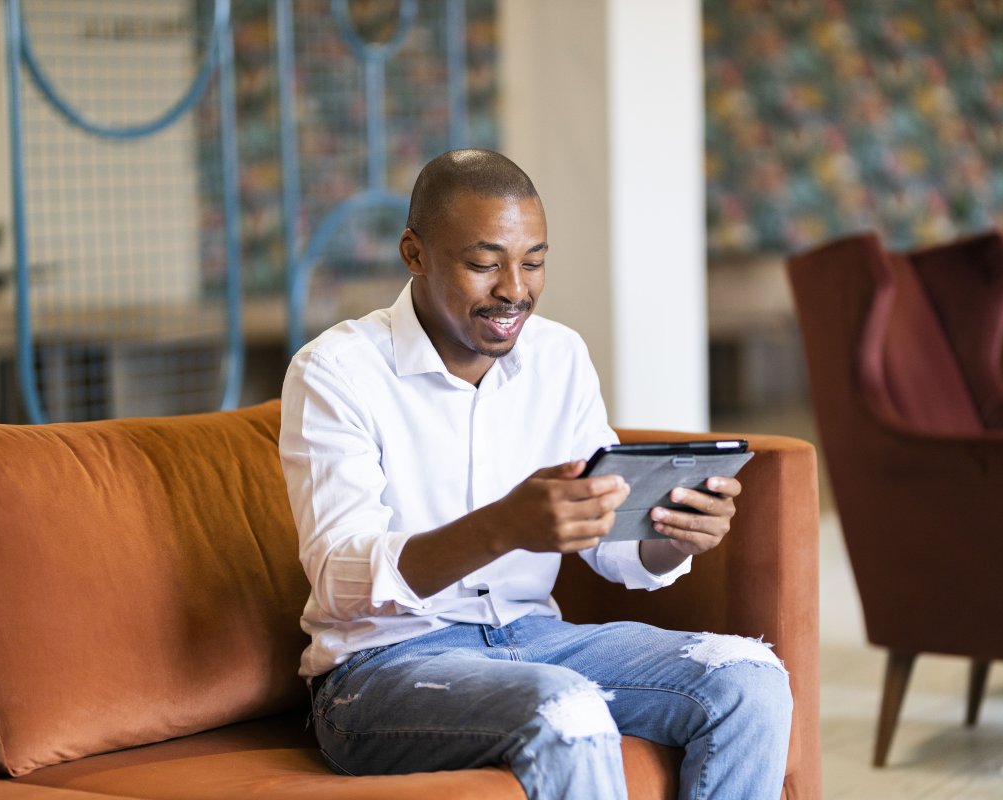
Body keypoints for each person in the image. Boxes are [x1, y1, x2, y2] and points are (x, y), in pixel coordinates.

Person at [279, 148, 792, 800]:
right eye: (484, 264)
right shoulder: (336, 371)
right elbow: (340, 580)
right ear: (415, 253)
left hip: (538, 640)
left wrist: (672, 535)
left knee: (749, 676)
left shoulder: (559, 355)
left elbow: (613, 542)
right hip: (383, 667)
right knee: (567, 710)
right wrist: (503, 528)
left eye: (533, 262)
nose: (514, 290)